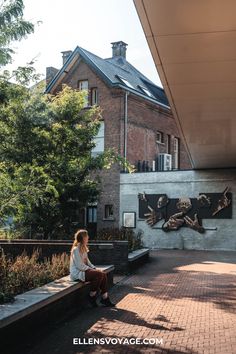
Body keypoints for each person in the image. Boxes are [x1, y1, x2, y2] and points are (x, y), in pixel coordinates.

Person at [70, 229, 115, 307]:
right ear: (83, 238)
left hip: (84, 271)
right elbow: (79, 265)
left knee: (103, 274)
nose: (88, 237)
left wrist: (94, 268)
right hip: (77, 273)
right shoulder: (75, 249)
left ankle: (105, 298)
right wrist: (92, 270)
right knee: (99, 275)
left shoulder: (83, 248)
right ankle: (91, 296)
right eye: (87, 236)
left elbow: (88, 262)